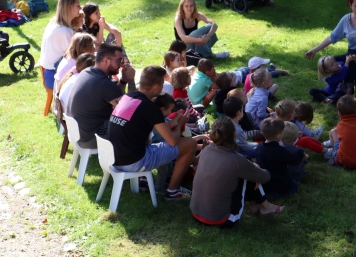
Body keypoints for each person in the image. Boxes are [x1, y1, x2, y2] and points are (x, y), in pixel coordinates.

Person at [107, 65, 209, 201]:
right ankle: (172, 191)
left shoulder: (127, 97)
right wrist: (179, 124)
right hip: (132, 162)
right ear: (156, 86)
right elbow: (172, 141)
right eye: (162, 84)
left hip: (111, 157)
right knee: (189, 144)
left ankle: (162, 180)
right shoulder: (149, 107)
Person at [190, 117, 284, 227]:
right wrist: (255, 166)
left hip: (196, 212)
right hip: (222, 219)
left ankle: (258, 205)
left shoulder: (206, 149)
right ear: (235, 134)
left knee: (246, 168)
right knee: (247, 171)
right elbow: (265, 177)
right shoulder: (237, 161)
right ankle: (265, 206)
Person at [65, 43, 135, 147]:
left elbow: (114, 96)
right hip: (90, 138)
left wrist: (124, 80)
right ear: (106, 61)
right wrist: (131, 80)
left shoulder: (87, 71)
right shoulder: (103, 83)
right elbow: (131, 111)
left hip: (78, 134)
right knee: (136, 122)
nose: (121, 65)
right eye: (119, 60)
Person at [38, 0, 81, 91]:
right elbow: (76, 56)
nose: (80, 8)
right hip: (53, 76)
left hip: (50, 72)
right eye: (78, 6)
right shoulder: (64, 31)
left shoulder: (55, 22)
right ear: (70, 8)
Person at [255, 118, 304, 201]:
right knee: (294, 185)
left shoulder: (259, 147)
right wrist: (300, 151)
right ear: (278, 136)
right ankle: (276, 194)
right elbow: (294, 160)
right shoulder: (279, 150)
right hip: (279, 181)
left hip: (265, 182)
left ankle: (270, 192)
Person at [324, 96, 356, 169]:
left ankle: (334, 155)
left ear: (339, 113)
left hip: (345, 161)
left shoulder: (340, 126)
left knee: (333, 131)